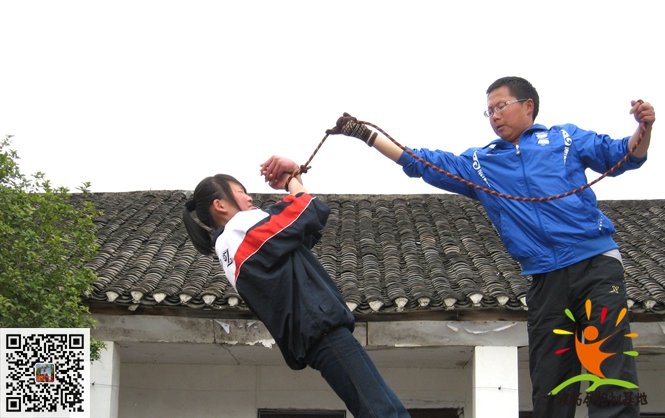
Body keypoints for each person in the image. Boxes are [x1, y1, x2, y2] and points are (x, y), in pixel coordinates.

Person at [303, 76, 654, 418]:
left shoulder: (565, 138)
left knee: (610, 359)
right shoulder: (482, 162)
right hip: (544, 276)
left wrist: (644, 127)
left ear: (528, 106)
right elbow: (424, 163)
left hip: (595, 263)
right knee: (550, 376)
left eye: (501, 106)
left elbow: (623, 154)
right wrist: (367, 135)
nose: (494, 116)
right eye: (489, 111)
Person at [182, 159, 410, 418]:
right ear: (220, 205)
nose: (249, 197)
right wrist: (291, 179)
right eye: (240, 191)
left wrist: (295, 180)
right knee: (382, 411)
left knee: (386, 409)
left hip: (317, 335)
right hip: (322, 329)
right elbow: (307, 211)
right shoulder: (240, 228)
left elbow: (303, 230)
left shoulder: (229, 246)